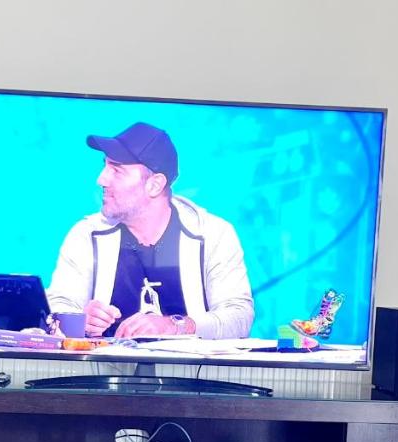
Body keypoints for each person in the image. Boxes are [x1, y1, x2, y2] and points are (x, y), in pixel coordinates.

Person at [46, 122, 254, 339]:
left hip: (189, 363)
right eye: (105, 166)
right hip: (105, 362)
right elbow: (57, 306)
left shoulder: (214, 234)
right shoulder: (85, 234)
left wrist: (177, 326)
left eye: (116, 170)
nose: (101, 179)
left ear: (154, 185)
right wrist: (77, 319)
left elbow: (239, 318)